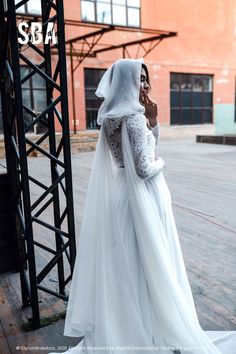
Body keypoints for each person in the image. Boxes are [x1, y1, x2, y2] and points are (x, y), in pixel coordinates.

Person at [50, 59, 231, 354]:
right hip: (144, 196)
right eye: (140, 79)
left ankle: (132, 324)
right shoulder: (131, 117)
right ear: (127, 81)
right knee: (150, 260)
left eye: (146, 79)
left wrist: (153, 121)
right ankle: (152, 327)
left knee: (130, 263)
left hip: (123, 193)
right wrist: (164, 162)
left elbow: (138, 152)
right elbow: (146, 166)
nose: (145, 84)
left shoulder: (109, 116)